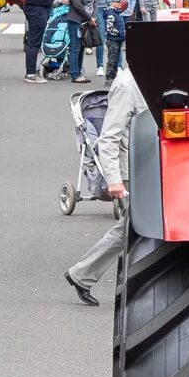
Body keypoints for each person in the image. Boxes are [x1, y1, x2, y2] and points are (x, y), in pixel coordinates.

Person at [65, 66, 147, 306]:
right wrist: (113, 179)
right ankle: (82, 274)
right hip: (132, 170)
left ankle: (82, 275)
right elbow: (109, 137)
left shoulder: (149, 77)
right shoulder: (126, 85)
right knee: (132, 227)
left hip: (147, 166)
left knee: (132, 227)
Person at [66, 0, 94, 84]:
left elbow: (93, 0)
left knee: (82, 47)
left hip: (83, 21)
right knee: (75, 46)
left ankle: (78, 72)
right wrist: (89, 18)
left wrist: (92, 16)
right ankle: (74, 73)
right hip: (75, 19)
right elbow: (77, 4)